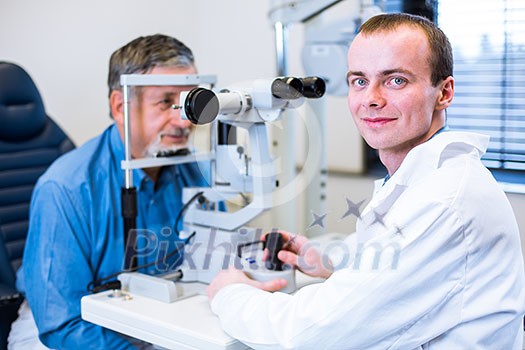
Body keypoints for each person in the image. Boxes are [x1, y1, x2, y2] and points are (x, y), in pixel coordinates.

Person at [206, 13, 525, 349]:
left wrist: (228, 292)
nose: (371, 98)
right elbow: (396, 259)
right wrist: (328, 260)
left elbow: (312, 334)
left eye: (396, 80)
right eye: (359, 81)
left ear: (444, 92)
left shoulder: (442, 201)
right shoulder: (421, 177)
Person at [8, 34, 211, 349]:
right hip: (68, 329)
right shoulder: (66, 188)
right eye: (166, 102)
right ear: (121, 106)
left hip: (157, 314)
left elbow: (215, 258)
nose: (183, 120)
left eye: (188, 103)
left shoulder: (195, 169)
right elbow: (61, 324)